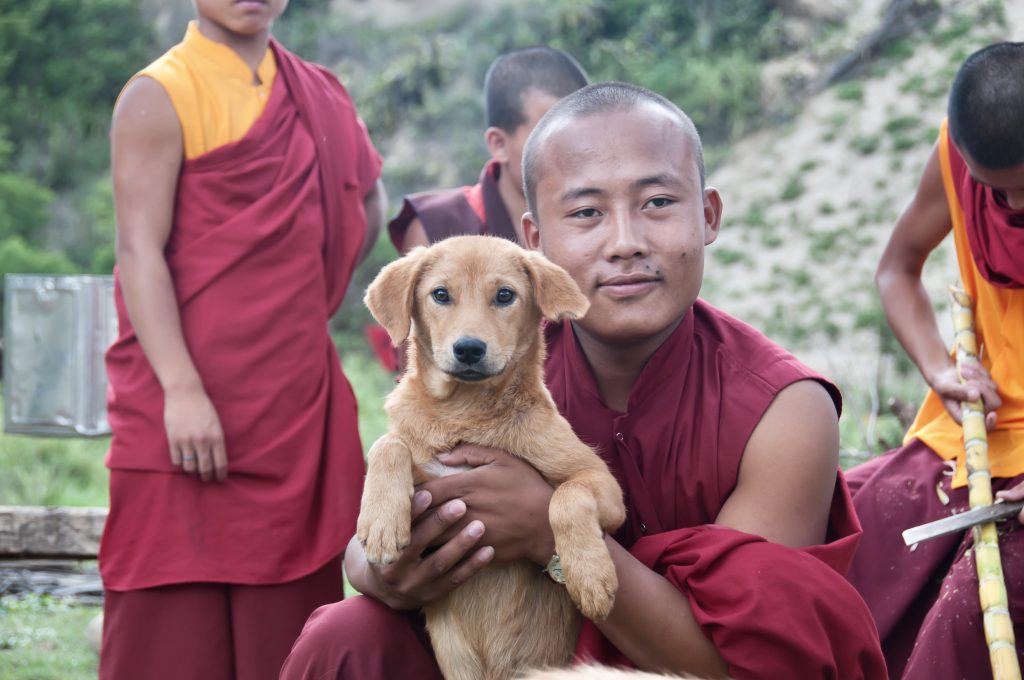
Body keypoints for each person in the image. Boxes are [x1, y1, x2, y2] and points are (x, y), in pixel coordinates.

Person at [280, 82, 885, 679]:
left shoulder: (783, 409)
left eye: (657, 203)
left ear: (708, 216)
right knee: (347, 637)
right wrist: (379, 568)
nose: (624, 243)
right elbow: (374, 548)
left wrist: (546, 533)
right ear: (536, 241)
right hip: (494, 648)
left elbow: (749, 661)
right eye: (587, 212)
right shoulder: (499, 367)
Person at [101, 1, 384, 678]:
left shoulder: (320, 94)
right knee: (167, 632)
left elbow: (364, 204)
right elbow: (139, 251)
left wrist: (293, 302)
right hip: (181, 404)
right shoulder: (158, 94)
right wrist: (182, 389)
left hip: (289, 400)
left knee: (285, 633)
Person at [845, 42, 1024, 679]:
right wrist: (939, 370)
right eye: (994, 190)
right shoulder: (956, 154)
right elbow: (897, 269)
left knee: (973, 608)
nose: (1013, 207)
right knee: (853, 526)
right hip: (975, 428)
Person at [387, 46, 588, 254]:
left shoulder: (607, 220)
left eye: (582, 135)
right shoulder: (439, 230)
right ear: (499, 144)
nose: (574, 153)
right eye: (549, 136)